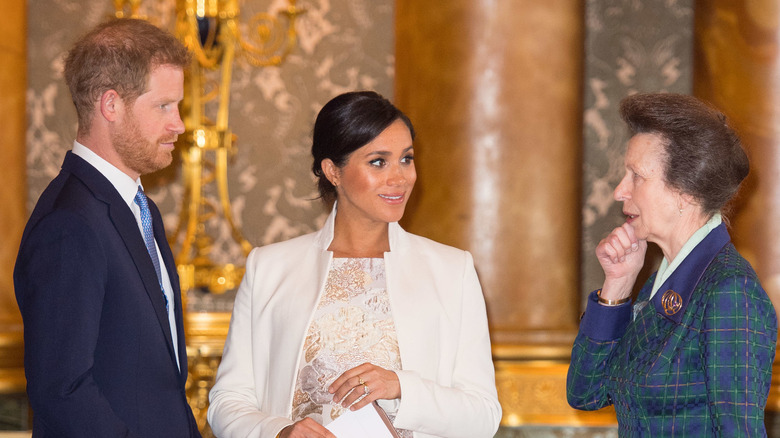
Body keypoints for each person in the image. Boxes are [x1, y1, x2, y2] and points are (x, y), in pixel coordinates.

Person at [207, 91, 501, 438]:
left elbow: (484, 415)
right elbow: (227, 401)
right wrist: (280, 432)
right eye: (378, 161)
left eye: (406, 159)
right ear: (333, 171)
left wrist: (401, 387)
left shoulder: (451, 270)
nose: (400, 177)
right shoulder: (270, 267)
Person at [13, 18, 202, 437]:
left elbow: (160, 383)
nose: (179, 124)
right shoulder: (70, 223)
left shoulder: (138, 207)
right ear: (111, 105)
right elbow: (62, 391)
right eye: (164, 106)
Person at [567, 92, 777, 436]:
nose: (620, 190)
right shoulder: (659, 285)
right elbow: (585, 393)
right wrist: (617, 287)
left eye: (636, 175)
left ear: (687, 191)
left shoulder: (729, 292)